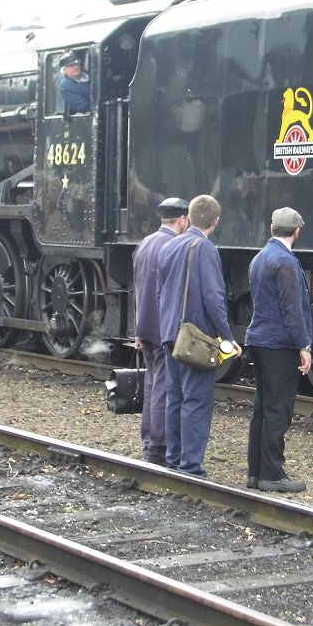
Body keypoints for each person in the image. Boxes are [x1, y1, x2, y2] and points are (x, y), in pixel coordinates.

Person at [157, 194, 241, 476]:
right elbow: (214, 299)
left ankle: (174, 458)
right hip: (195, 336)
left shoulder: (168, 246)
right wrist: (227, 337)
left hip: (169, 332)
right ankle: (190, 466)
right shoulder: (205, 249)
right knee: (196, 399)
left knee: (175, 397)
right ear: (216, 222)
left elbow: (160, 293)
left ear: (189, 217)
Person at [244, 207, 313, 493]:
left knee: (262, 407)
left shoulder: (260, 258)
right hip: (279, 345)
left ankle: (255, 471)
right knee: (278, 409)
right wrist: (304, 345)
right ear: (296, 232)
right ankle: (272, 473)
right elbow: (292, 310)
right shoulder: (285, 262)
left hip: (259, 340)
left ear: (272, 228)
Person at [132, 197, 190, 466]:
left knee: (151, 384)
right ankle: (158, 446)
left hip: (144, 325)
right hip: (162, 327)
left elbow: (138, 288)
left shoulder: (145, 243)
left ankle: (149, 442)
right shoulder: (173, 246)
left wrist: (136, 329)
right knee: (162, 388)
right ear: (182, 219)